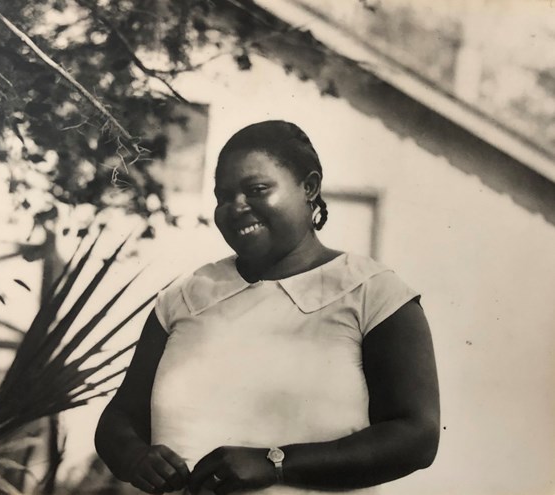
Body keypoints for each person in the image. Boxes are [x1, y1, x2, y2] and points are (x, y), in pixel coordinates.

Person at [95, 120, 440, 495]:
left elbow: (415, 435)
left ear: (309, 187)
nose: (236, 206)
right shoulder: (185, 297)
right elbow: (120, 418)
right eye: (222, 196)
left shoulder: (372, 292)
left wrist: (276, 463)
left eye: (256, 189)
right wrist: (136, 458)